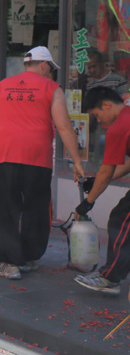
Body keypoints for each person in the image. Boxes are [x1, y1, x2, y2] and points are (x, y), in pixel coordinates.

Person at [0, 46, 85, 280]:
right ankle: (30, 257)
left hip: (5, 157)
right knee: (36, 208)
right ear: (44, 65)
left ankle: (11, 263)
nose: (51, 73)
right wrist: (77, 162)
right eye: (51, 69)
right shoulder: (52, 89)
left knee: (6, 210)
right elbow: (63, 127)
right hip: (38, 160)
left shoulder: (2, 86)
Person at [73, 87, 130, 294]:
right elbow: (124, 165)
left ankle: (110, 279)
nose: (98, 121)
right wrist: (95, 180)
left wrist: (87, 202)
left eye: (97, 115)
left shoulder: (119, 127)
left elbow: (106, 171)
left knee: (121, 221)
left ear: (107, 105)